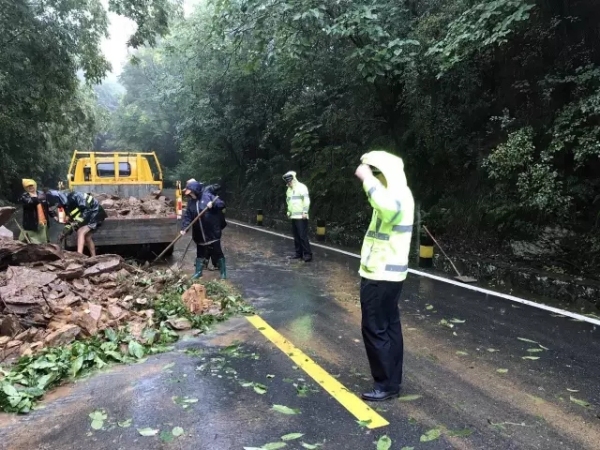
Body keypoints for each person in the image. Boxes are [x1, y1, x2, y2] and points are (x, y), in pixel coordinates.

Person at [354, 150, 414, 402]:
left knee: (375, 327)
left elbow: (387, 209)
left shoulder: (395, 196)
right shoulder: (397, 192)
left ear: (384, 174)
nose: (372, 178)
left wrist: (367, 178)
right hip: (387, 274)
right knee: (389, 326)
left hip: (380, 275)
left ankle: (385, 385)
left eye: (375, 173)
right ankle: (391, 381)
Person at [180, 181, 227, 279]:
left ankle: (223, 273)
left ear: (195, 191)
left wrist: (213, 204)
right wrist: (184, 228)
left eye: (191, 193)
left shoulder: (207, 196)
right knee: (200, 253)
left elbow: (221, 204)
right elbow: (188, 216)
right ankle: (198, 272)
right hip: (199, 234)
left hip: (212, 232)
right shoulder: (191, 202)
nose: (190, 195)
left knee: (217, 252)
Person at [45, 190, 107, 256]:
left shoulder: (74, 196)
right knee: (87, 237)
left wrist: (75, 224)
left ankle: (79, 255)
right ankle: (94, 256)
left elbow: (85, 211)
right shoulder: (64, 204)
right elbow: (69, 220)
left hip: (94, 211)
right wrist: (64, 232)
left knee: (81, 231)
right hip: (88, 213)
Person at [282, 171, 312, 262]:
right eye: (287, 182)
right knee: (296, 236)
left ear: (294, 179)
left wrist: (305, 212)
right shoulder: (289, 190)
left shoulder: (301, 187)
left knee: (302, 236)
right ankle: (298, 253)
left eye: (290, 181)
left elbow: (306, 200)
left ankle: (307, 254)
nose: (289, 183)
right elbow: (289, 203)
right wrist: (288, 212)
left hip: (301, 216)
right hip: (294, 217)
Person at [18, 179, 51, 244]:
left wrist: (53, 215)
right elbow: (31, 202)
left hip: (43, 222)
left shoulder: (42, 194)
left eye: (31, 185)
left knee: (43, 243)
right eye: (28, 186)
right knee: (30, 243)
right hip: (31, 223)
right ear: (25, 188)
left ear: (35, 185)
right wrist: (35, 197)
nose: (30, 187)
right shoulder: (24, 196)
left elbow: (47, 206)